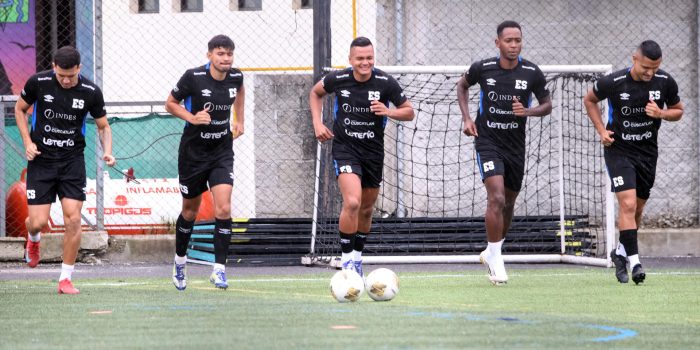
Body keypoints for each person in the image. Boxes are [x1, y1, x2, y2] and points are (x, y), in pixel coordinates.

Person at [456, 21, 552, 285]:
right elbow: (462, 86)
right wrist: (467, 119)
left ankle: (492, 250)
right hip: (488, 142)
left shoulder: (532, 72)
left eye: (517, 40)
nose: (513, 45)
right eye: (508, 40)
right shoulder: (483, 68)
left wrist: (528, 112)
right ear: (497, 43)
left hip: (515, 146)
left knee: (509, 201)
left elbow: (547, 105)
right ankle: (497, 260)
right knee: (496, 197)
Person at [14, 46, 116, 294]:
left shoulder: (91, 91)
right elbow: (19, 109)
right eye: (61, 75)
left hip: (72, 162)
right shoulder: (38, 82)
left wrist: (107, 150)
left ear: (79, 68)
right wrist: (28, 142)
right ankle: (34, 239)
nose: (67, 80)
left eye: (71, 75)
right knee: (37, 222)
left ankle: (65, 278)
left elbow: (103, 126)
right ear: (53, 67)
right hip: (41, 160)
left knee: (73, 219)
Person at [309, 37, 414, 276]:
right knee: (353, 202)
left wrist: (389, 111)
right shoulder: (339, 79)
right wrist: (317, 123)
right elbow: (315, 93)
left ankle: (357, 257)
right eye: (360, 58)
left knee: (366, 209)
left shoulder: (386, 82)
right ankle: (345, 261)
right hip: (345, 150)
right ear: (350, 59)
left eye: (369, 58)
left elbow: (409, 112)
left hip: (373, 153)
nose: (365, 63)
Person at [583, 40, 683, 285]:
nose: (650, 72)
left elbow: (678, 110)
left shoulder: (665, 82)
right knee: (627, 205)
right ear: (634, 59)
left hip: (648, 154)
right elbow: (589, 100)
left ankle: (620, 252)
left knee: (637, 209)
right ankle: (635, 262)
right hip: (619, 151)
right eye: (646, 67)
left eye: (655, 68)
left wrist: (661, 114)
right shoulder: (614, 82)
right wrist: (601, 131)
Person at [165, 34, 245, 290]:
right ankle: (180, 262)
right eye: (220, 54)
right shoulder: (193, 77)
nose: (226, 59)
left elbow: (240, 91)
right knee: (190, 211)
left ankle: (219, 269)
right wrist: (192, 117)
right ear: (209, 55)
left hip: (221, 152)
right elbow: (170, 104)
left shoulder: (236, 76)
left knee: (223, 208)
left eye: (229, 54)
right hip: (193, 154)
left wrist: (239, 119)